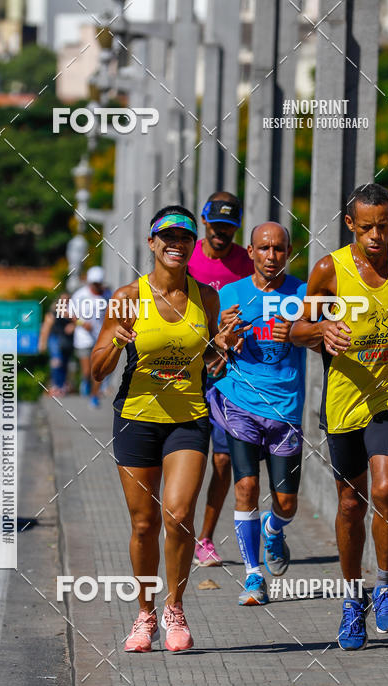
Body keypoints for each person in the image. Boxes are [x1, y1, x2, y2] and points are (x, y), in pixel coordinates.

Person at [91, 205, 241, 653]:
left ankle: (175, 609)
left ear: (192, 246)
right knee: (144, 524)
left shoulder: (206, 299)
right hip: (136, 417)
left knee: (177, 517)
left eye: (184, 239)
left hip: (188, 419)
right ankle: (144, 614)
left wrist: (222, 345)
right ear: (151, 243)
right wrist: (118, 342)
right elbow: (97, 371)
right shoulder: (126, 298)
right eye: (167, 238)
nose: (176, 245)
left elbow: (212, 364)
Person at [290, 183, 388, 650]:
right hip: (344, 398)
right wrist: (321, 331)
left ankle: (386, 586)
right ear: (350, 224)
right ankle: (353, 601)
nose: (375, 234)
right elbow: (295, 329)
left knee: (387, 488)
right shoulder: (329, 269)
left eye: (383, 224)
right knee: (351, 503)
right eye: (366, 226)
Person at [207, 221, 307, 606]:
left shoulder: (302, 293)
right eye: (263, 248)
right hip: (241, 402)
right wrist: (224, 338)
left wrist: (296, 331)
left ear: (288, 252)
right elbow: (216, 351)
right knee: (246, 486)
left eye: (279, 249)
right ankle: (252, 576)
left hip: (285, 409)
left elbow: (321, 340)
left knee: (286, 503)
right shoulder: (231, 294)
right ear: (250, 252)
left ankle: (274, 528)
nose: (271, 256)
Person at [187, 191, 254, 567]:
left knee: (224, 460)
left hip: (228, 372)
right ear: (204, 222)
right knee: (188, 456)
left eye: (229, 228)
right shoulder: (188, 258)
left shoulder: (247, 263)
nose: (221, 234)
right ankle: (179, 521)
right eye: (215, 226)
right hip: (189, 371)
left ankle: (206, 539)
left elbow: (259, 311)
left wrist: (230, 341)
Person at [71, 265, 108, 408]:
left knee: (97, 369)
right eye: (95, 284)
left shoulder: (107, 294)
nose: (97, 286)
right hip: (83, 338)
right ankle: (85, 382)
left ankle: (94, 396)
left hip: (100, 337)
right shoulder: (80, 295)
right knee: (87, 371)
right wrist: (82, 323)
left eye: (99, 284)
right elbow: (70, 313)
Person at [38, 292, 75, 397]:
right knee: (56, 362)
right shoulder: (53, 312)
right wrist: (42, 342)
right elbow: (46, 327)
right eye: (62, 301)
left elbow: (80, 321)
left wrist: (73, 324)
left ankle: (61, 385)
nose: (65, 303)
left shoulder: (72, 313)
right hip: (55, 338)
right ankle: (56, 385)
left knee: (64, 364)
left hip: (67, 341)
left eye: (67, 301)